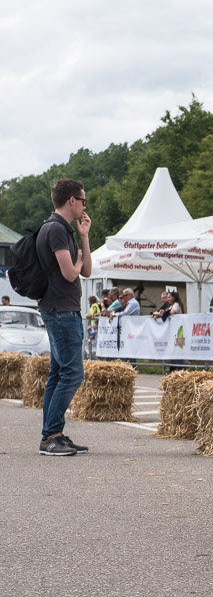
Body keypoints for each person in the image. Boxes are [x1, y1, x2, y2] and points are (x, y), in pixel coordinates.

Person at [38, 178, 92, 456]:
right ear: (72, 200)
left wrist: (84, 235)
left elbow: (88, 273)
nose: (84, 205)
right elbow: (73, 272)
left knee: (58, 374)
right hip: (61, 311)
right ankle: (51, 436)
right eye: (83, 200)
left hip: (60, 309)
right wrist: (80, 258)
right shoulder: (56, 230)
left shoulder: (65, 230)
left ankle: (52, 434)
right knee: (72, 373)